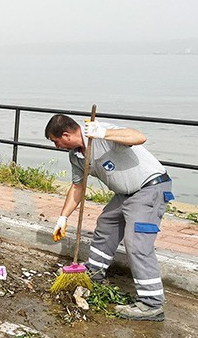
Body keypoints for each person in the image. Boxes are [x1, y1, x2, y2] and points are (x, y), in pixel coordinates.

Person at [45, 114, 174, 321]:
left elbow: (139, 137)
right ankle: (94, 273)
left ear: (66, 135)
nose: (56, 146)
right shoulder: (76, 156)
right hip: (125, 194)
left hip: (150, 188)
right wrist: (63, 218)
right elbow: (78, 187)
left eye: (55, 141)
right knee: (107, 224)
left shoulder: (101, 134)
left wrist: (103, 133)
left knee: (137, 243)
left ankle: (152, 304)